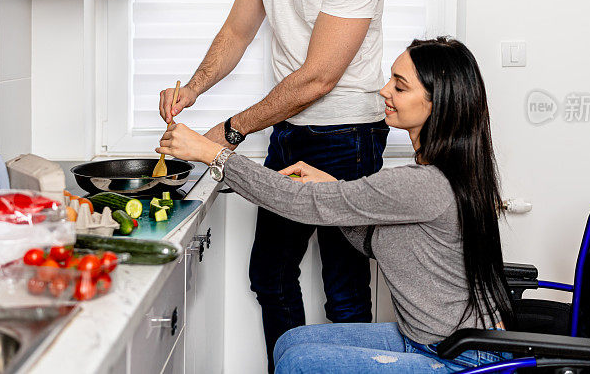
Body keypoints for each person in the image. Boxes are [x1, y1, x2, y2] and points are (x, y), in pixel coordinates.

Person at [157, 0, 388, 369]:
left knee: (345, 291)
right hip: (290, 130)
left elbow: (319, 77)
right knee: (271, 276)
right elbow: (239, 30)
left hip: (348, 135)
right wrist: (194, 88)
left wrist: (230, 130)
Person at [157, 38, 513, 373]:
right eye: (391, 79)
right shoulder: (446, 172)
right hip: (433, 341)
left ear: (439, 103)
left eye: (400, 87)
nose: (384, 90)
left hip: (459, 358)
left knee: (300, 363)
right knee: (291, 343)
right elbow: (375, 239)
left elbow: (301, 203)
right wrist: (336, 191)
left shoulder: (422, 183)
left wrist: (213, 154)